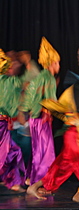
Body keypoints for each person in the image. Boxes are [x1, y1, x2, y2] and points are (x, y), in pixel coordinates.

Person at [26, 38, 79, 199]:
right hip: (75, 133)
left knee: (65, 164)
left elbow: (65, 108)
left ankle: (40, 186)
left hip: (76, 133)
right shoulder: (77, 88)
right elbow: (74, 111)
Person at [18, 37, 59, 185]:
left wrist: (26, 110)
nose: (58, 65)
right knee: (45, 152)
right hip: (42, 119)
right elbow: (51, 101)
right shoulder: (49, 78)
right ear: (51, 63)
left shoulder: (39, 77)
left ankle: (30, 178)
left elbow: (29, 95)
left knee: (38, 150)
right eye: (57, 62)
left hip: (34, 119)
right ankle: (40, 182)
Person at [0, 49, 26, 192]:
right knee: (10, 152)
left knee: (13, 150)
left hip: (4, 123)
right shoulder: (11, 82)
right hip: (2, 123)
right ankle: (14, 182)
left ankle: (14, 182)